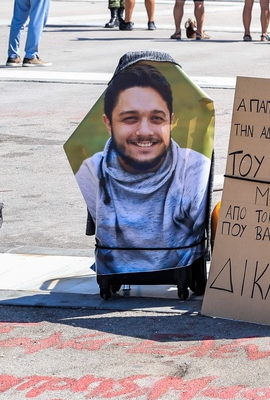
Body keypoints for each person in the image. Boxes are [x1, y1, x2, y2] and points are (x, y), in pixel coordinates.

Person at [74, 64, 210, 275]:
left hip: (180, 267)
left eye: (157, 118)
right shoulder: (90, 169)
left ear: (171, 121)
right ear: (108, 123)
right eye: (130, 118)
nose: (144, 132)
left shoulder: (193, 167)